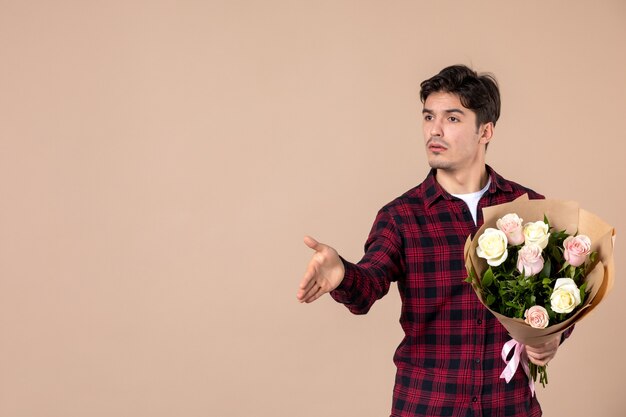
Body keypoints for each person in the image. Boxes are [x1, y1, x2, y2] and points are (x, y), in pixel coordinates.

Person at [296, 65, 565, 417]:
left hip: (509, 406)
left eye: (452, 119)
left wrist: (554, 336)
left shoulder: (527, 208)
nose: (434, 131)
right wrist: (343, 275)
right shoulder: (402, 216)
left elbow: (559, 293)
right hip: (427, 405)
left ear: (486, 131)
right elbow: (367, 284)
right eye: (428, 117)